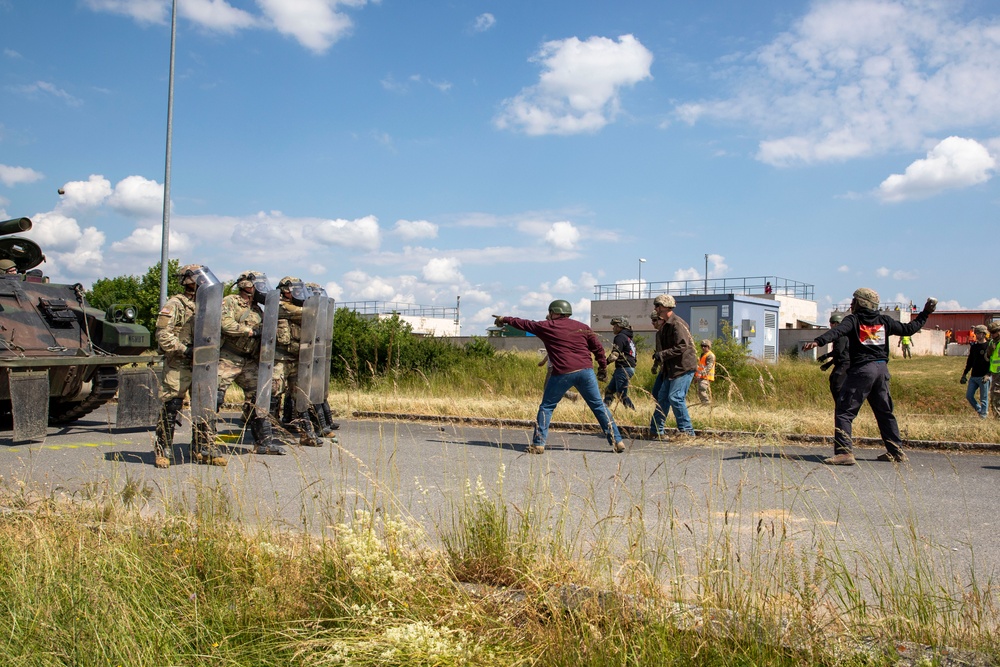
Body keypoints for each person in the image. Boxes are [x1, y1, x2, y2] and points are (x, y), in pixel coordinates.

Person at [803, 288, 936, 466]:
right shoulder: (884, 321)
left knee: (844, 411)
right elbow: (909, 329)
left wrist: (818, 341)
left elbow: (838, 331)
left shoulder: (854, 320)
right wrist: (926, 312)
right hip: (881, 370)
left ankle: (844, 453)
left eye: (854, 301)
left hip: (862, 371)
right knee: (884, 412)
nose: (851, 304)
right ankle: (895, 451)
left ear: (861, 303)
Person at [493, 300, 625, 454]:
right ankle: (617, 440)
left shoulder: (547, 326)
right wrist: (602, 366)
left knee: (547, 406)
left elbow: (524, 323)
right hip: (585, 371)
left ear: (553, 312)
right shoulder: (582, 326)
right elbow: (598, 348)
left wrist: (504, 319)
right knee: (598, 406)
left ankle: (538, 444)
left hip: (563, 372)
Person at [153, 264, 227, 468]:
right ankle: (163, 449)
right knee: (172, 404)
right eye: (198, 278)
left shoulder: (209, 303)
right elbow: (163, 335)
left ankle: (203, 447)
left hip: (203, 363)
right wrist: (184, 349)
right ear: (189, 280)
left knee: (207, 403)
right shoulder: (176, 304)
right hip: (179, 361)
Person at [219, 271, 285, 455]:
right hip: (228, 357)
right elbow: (225, 323)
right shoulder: (231, 301)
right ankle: (203, 442)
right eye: (259, 285)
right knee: (213, 397)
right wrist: (248, 331)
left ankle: (264, 443)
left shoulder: (257, 309)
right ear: (247, 286)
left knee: (261, 397)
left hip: (248, 360)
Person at [273, 277, 323, 447]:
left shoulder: (298, 305)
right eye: (293, 289)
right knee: (274, 392)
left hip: (296, 358)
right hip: (280, 357)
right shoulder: (280, 304)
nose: (296, 292)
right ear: (284, 290)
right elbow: (306, 313)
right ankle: (268, 431)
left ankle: (307, 434)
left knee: (301, 395)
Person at [649, 294, 698, 438]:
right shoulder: (666, 325)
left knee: (675, 397)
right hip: (671, 368)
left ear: (664, 306)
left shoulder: (676, 323)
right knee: (663, 398)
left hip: (683, 367)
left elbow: (682, 345)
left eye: (657, 305)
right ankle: (656, 430)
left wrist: (662, 355)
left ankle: (687, 432)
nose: (655, 309)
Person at [603, 316, 637, 410]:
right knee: (609, 391)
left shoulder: (620, 337)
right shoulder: (628, 338)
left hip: (623, 368)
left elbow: (614, 355)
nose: (613, 327)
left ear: (620, 326)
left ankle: (632, 411)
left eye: (615, 325)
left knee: (621, 394)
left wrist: (604, 364)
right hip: (628, 368)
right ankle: (604, 410)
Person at [817, 312, 849, 405]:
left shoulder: (841, 336)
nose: (830, 325)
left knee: (837, 385)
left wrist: (825, 356)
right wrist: (828, 364)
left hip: (845, 364)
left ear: (836, 324)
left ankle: (842, 406)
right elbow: (839, 354)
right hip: (841, 363)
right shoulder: (841, 335)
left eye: (831, 323)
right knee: (833, 380)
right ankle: (840, 405)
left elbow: (838, 351)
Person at [960, 325, 990, 419]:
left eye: (978, 333)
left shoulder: (989, 346)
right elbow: (970, 361)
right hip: (974, 376)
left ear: (984, 334)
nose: (976, 335)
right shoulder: (974, 347)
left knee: (983, 398)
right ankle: (980, 410)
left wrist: (988, 374)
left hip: (984, 376)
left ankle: (983, 416)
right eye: (976, 333)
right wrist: (964, 374)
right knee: (969, 396)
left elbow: (993, 362)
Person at [693, 339, 716, 405]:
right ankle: (704, 404)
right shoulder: (703, 354)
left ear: (708, 347)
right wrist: (697, 375)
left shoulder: (710, 355)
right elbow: (701, 366)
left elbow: (709, 367)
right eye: (702, 346)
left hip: (706, 376)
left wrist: (701, 374)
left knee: (702, 391)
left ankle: (707, 404)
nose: (703, 347)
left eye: (705, 346)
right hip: (701, 376)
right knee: (700, 392)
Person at [987, 322, 1000, 419]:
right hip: (995, 373)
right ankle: (997, 418)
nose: (992, 334)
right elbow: (987, 358)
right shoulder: (992, 342)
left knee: (996, 395)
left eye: (994, 332)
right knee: (994, 396)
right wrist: (989, 351)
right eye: (991, 332)